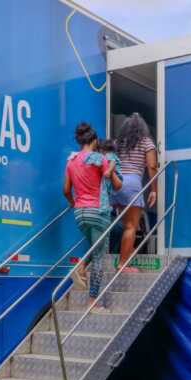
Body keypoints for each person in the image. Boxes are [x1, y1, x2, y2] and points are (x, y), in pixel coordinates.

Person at [63, 123, 122, 310]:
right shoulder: (99, 158)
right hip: (98, 212)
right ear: (95, 140)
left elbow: (66, 190)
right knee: (99, 258)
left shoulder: (71, 161)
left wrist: (74, 203)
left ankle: (80, 266)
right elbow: (117, 185)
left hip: (80, 215)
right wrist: (112, 167)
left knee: (95, 248)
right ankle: (92, 302)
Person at [112, 113, 158, 272]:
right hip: (132, 184)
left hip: (116, 184)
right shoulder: (146, 142)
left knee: (127, 224)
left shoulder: (117, 143)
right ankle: (122, 265)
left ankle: (128, 256)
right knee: (131, 227)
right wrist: (154, 190)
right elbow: (152, 166)